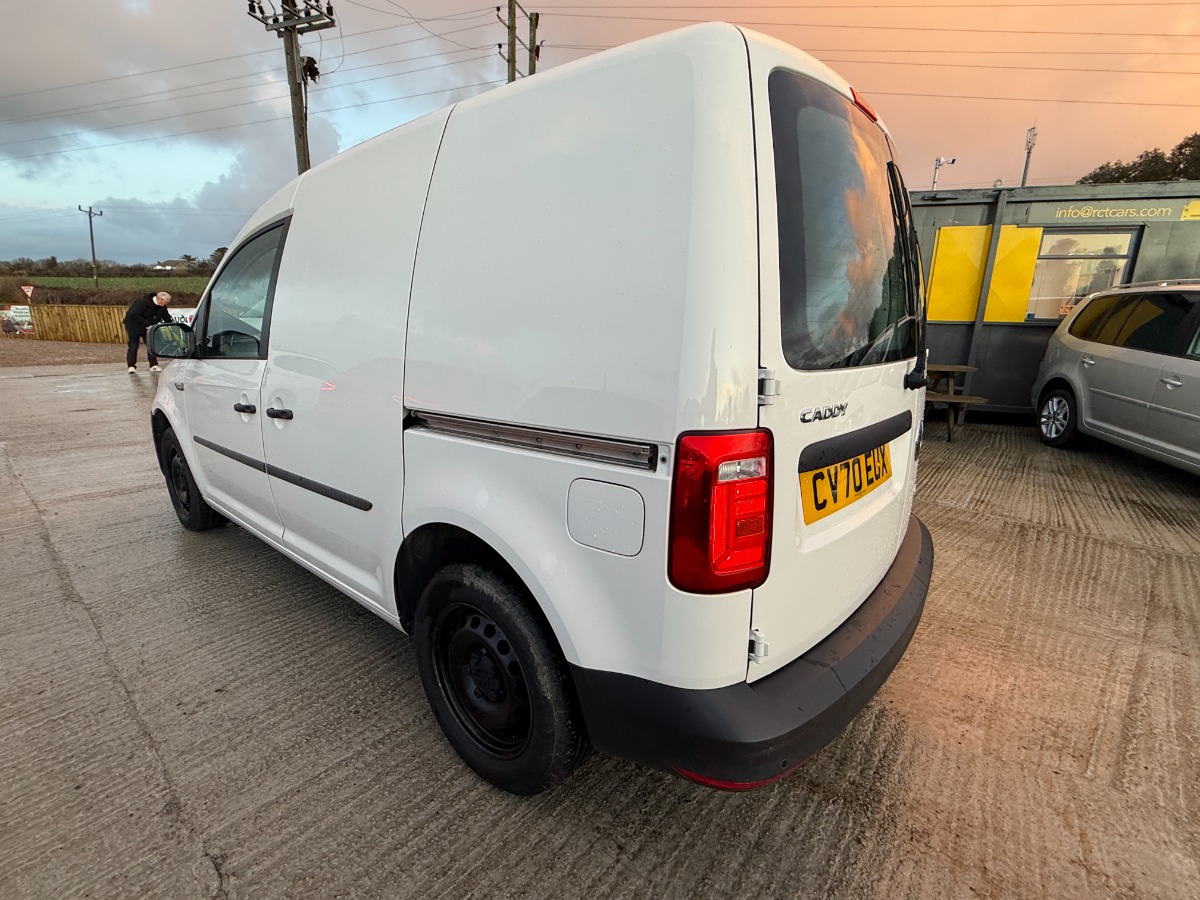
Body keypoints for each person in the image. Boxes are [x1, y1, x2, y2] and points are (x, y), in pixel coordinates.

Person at [123, 291, 173, 372]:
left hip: (149, 327)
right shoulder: (142, 302)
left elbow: (166, 317)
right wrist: (147, 324)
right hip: (133, 326)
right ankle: (131, 366)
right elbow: (133, 314)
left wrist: (171, 325)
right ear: (160, 299)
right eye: (165, 302)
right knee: (133, 345)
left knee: (151, 345)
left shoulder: (162, 307)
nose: (166, 304)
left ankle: (153, 365)